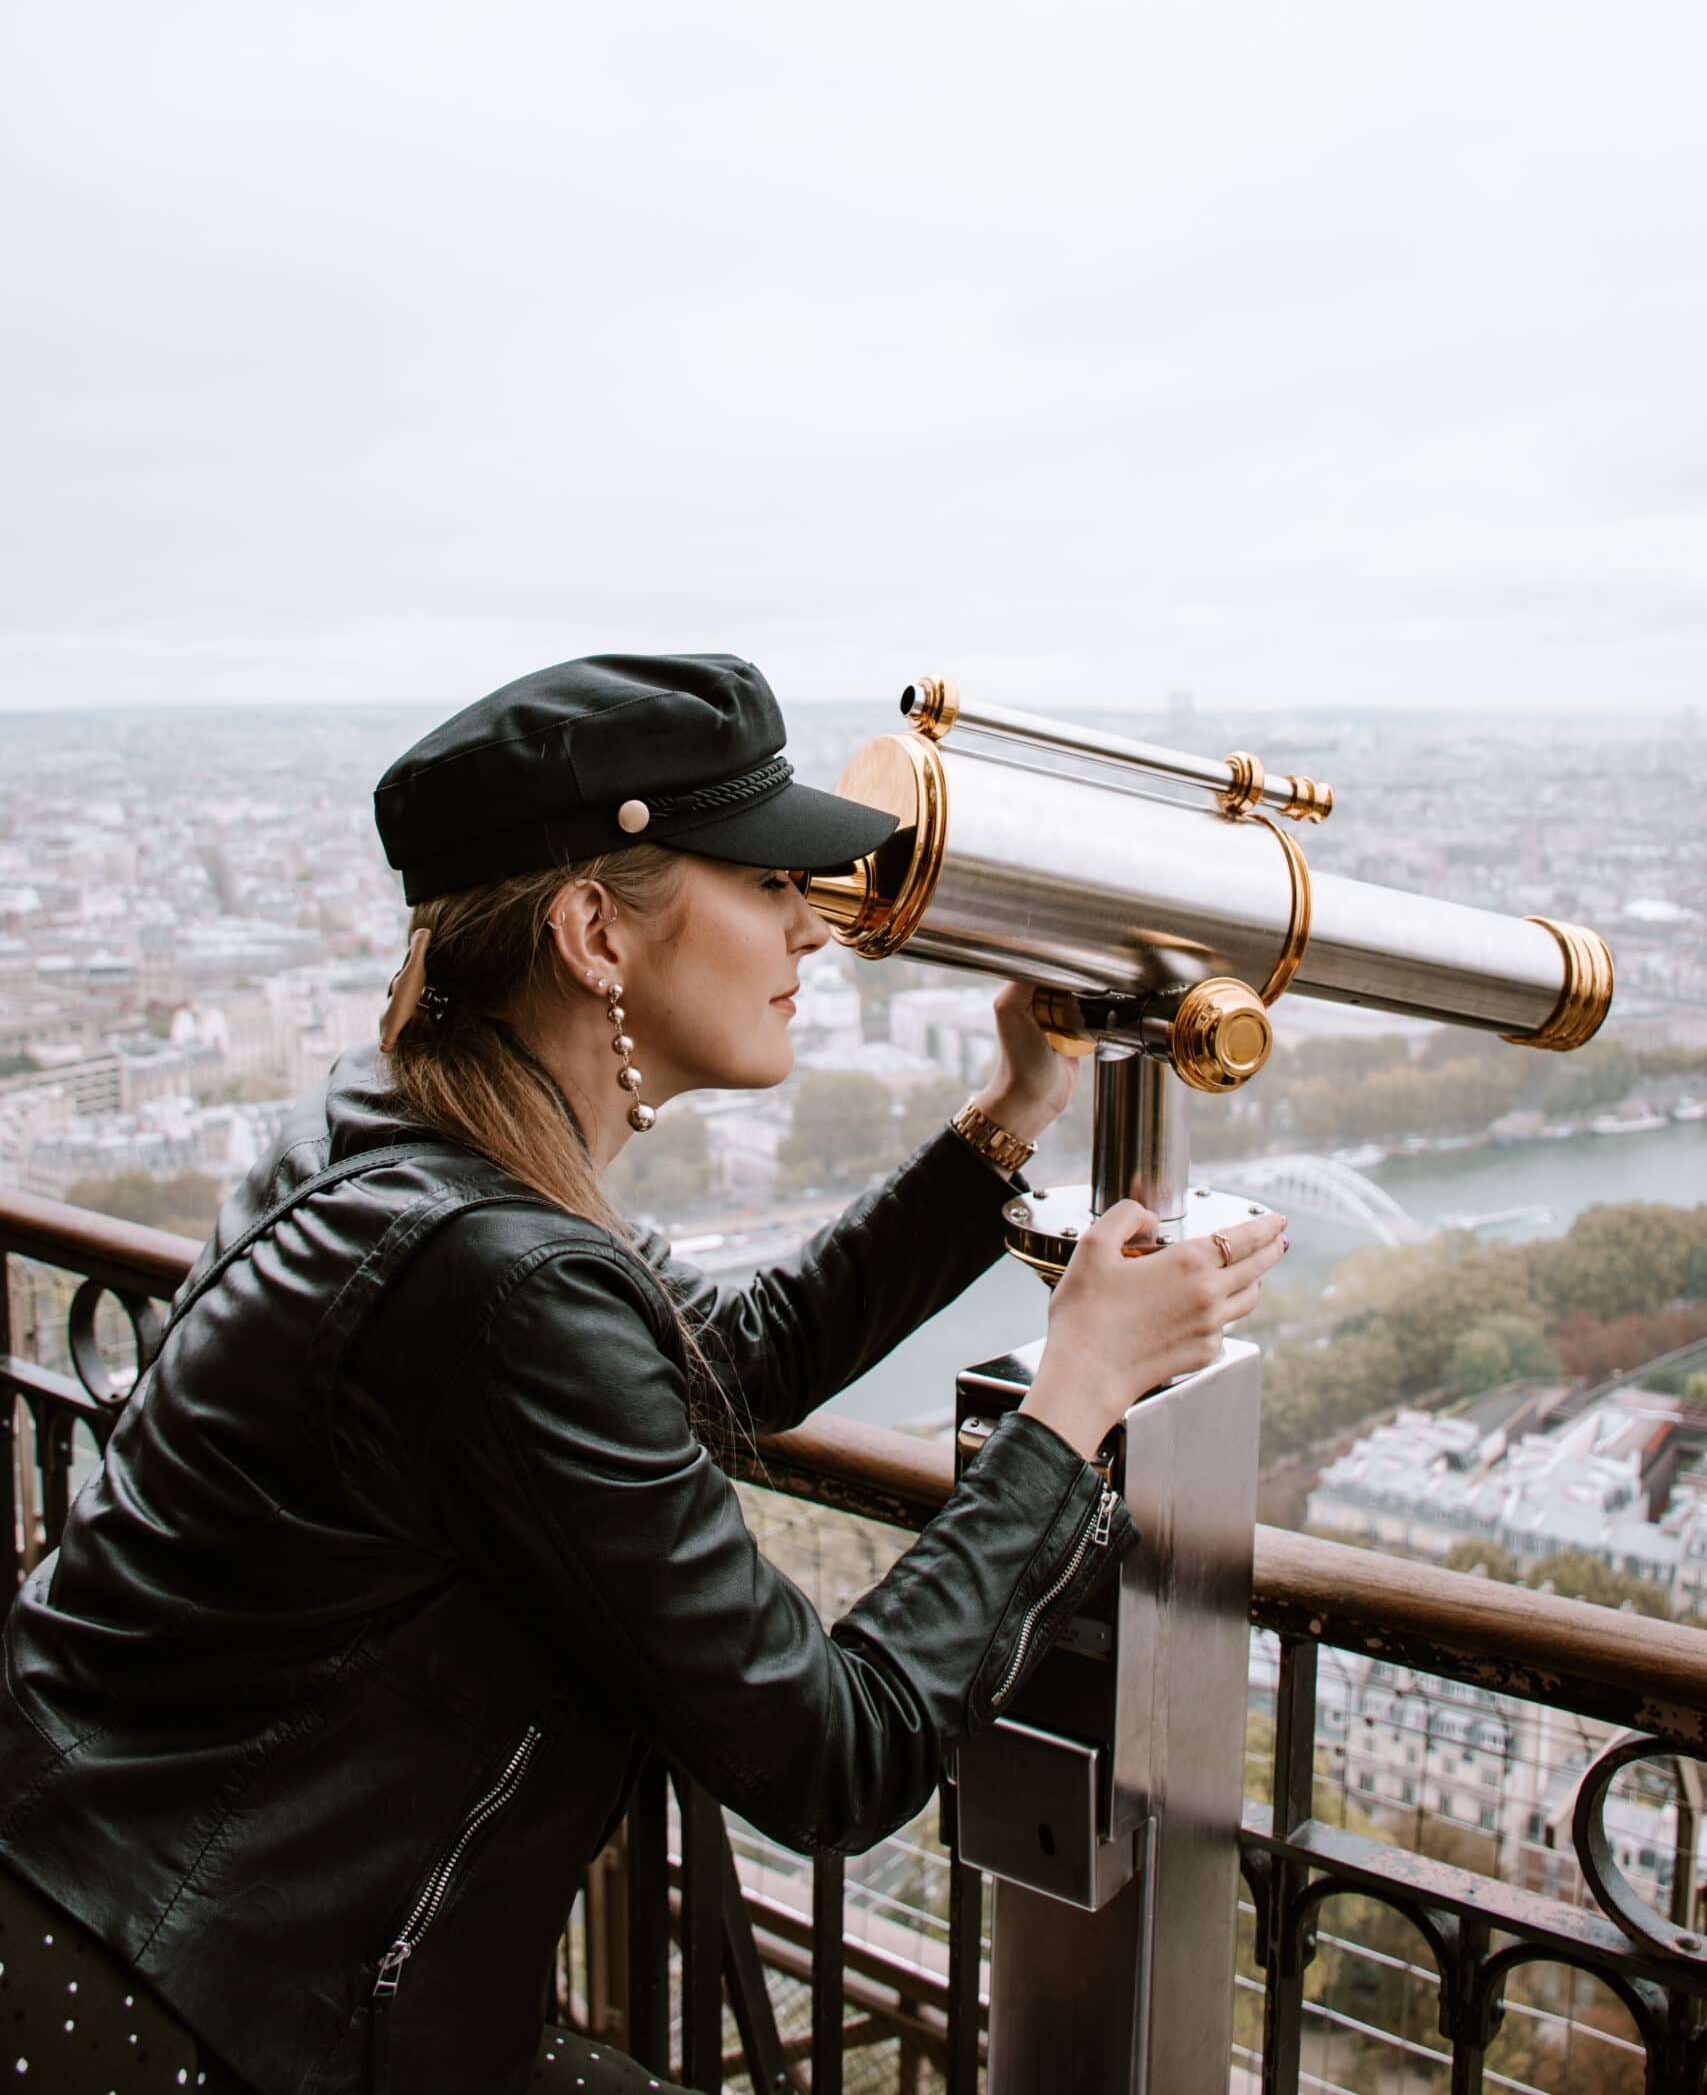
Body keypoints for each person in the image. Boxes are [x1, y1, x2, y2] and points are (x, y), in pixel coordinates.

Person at [0, 653, 1285, 2093]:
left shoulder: (408, 1135)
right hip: (194, 2019)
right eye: (766, 884)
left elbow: (729, 1360)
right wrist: (1073, 1401)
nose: (815, 933)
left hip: (145, 1933)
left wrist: (1012, 1111)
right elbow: (831, 1753)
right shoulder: (503, 1274)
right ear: (594, 933)